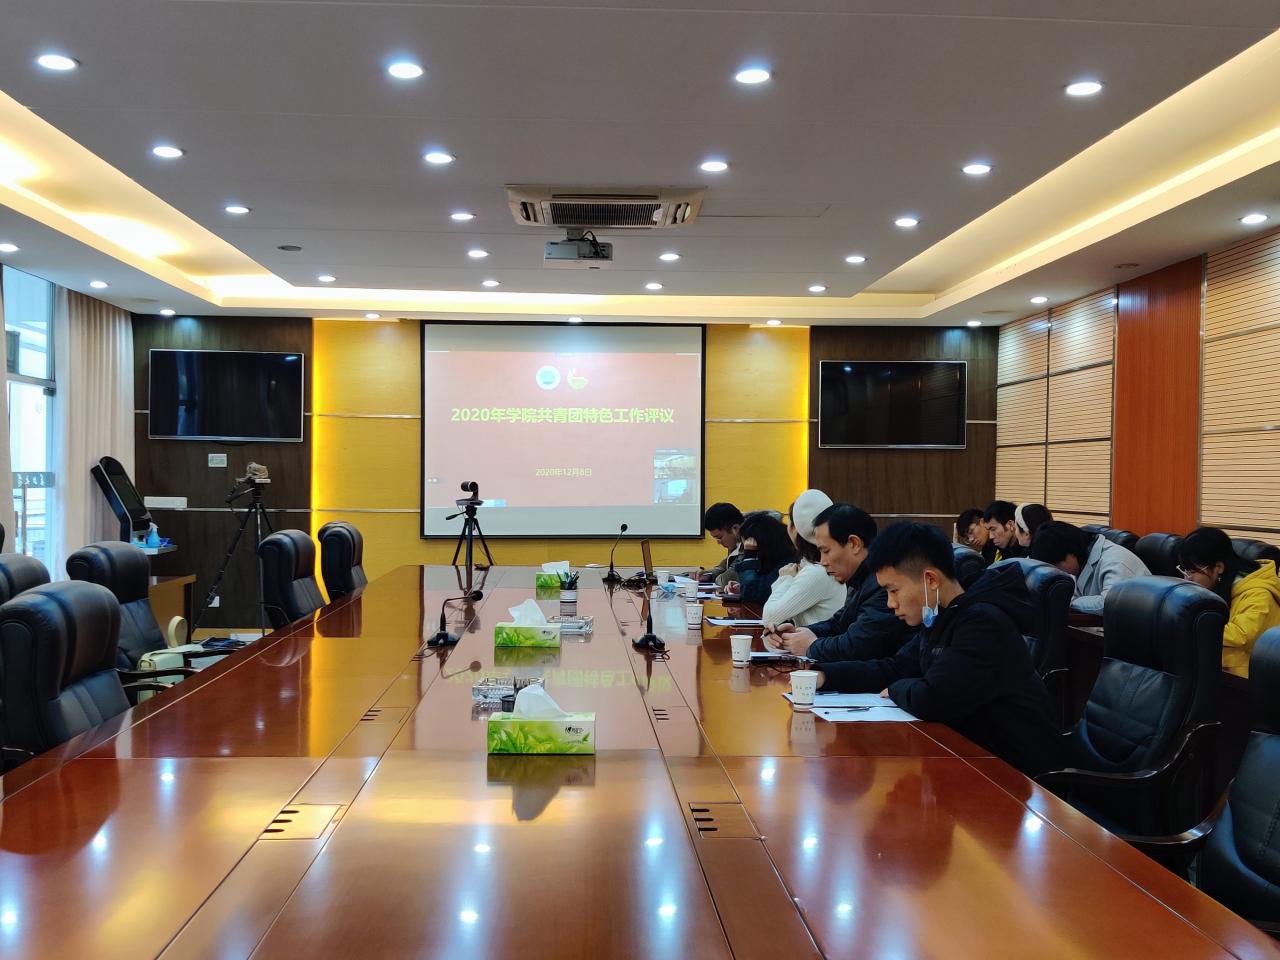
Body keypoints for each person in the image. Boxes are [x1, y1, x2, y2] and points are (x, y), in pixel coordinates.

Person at [814, 522, 1066, 777]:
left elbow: (932, 699)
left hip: (1017, 775)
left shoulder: (982, 622)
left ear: (930, 579)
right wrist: (823, 675)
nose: (890, 603)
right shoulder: (942, 614)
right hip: (970, 760)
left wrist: (896, 688)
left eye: (894, 590)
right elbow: (897, 667)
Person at [763, 503, 915, 662]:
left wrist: (812, 646)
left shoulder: (883, 584)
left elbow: (859, 646)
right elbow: (838, 624)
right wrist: (796, 634)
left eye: (826, 551)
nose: (823, 561)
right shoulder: (859, 578)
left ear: (854, 544)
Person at [1177, 527, 1280, 678]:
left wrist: (1190, 628)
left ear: (1218, 567)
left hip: (1250, 678)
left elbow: (1240, 636)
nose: (1187, 578)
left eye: (1192, 571)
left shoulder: (1258, 594)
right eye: (1184, 570)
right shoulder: (1219, 585)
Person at [761, 490, 847, 627]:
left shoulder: (817, 572)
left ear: (796, 529)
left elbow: (770, 618)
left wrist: (784, 579)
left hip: (817, 641)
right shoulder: (817, 568)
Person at [1028, 520, 1149, 615]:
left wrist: (1068, 602)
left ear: (1070, 554)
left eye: (1056, 565)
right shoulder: (1081, 558)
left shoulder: (1115, 561)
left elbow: (1109, 604)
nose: (1057, 571)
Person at [723, 512, 796, 604]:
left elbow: (752, 594)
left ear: (760, 543)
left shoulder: (788, 564)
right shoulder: (776, 558)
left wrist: (749, 557)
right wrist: (741, 587)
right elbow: (760, 586)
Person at [699, 502, 744, 586]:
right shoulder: (737, 540)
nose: (718, 542)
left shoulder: (752, 541)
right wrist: (708, 574)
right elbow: (724, 567)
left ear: (736, 528)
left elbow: (726, 579)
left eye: (719, 537)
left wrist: (716, 578)